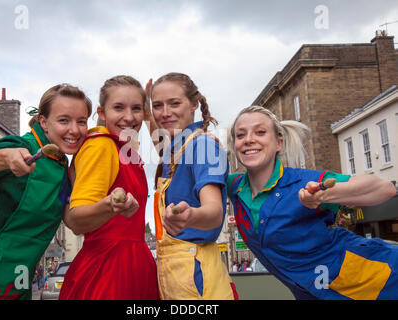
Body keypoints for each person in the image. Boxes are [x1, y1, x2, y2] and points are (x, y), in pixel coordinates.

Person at [227, 105, 397, 300]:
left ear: (279, 143)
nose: (249, 139)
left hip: (381, 279)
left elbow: (385, 189)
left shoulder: (305, 182)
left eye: (260, 132)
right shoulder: (234, 187)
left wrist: (325, 195)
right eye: (240, 135)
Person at [0, 84, 92, 300]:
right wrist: (3, 158)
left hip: (17, 282)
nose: (75, 130)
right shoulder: (17, 146)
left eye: (81, 121)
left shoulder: (63, 167)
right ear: (43, 122)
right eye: (64, 120)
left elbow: (71, 221)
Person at [59, 75, 159, 300]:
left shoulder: (122, 148)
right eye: (118, 108)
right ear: (101, 113)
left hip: (130, 263)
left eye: (136, 109)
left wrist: (150, 115)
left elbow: (168, 152)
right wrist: (109, 205)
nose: (129, 117)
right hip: (109, 270)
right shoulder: (102, 147)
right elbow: (77, 218)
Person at [148, 72, 237, 300]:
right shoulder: (175, 149)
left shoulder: (203, 146)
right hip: (179, 274)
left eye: (174, 103)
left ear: (194, 103)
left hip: (197, 278)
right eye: (157, 105)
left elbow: (215, 212)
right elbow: (159, 137)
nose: (165, 113)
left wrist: (189, 216)